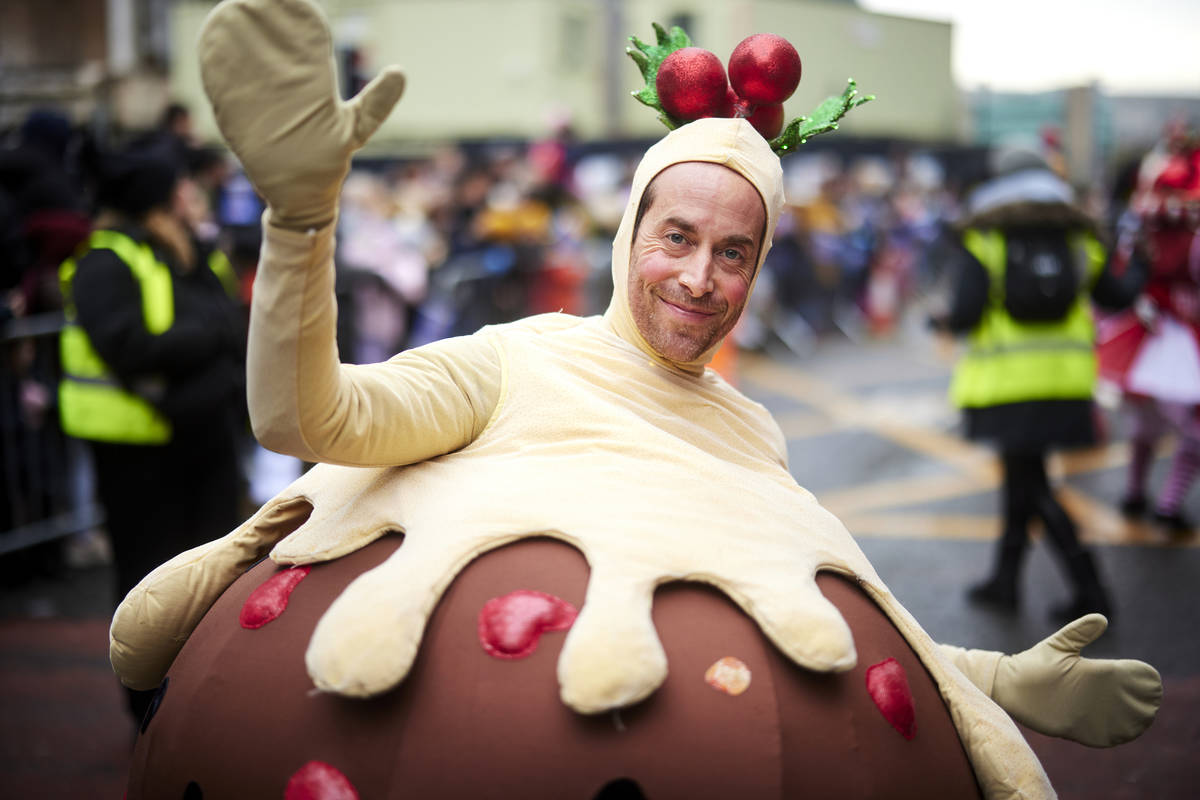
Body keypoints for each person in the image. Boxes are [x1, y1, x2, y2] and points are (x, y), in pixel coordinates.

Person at [109, 1, 1160, 796]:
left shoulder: (752, 428)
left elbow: (824, 602)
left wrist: (1001, 681)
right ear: (630, 238)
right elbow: (308, 421)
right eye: (677, 237)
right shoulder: (510, 360)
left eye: (733, 252)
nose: (700, 278)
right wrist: (301, 222)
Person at [58, 149, 247, 724]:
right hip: (140, 451)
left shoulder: (201, 255)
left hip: (205, 439)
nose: (193, 195)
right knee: (150, 584)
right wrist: (212, 337)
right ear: (158, 201)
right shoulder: (105, 262)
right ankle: (151, 717)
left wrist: (211, 343)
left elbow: (234, 327)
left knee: (217, 577)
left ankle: (209, 704)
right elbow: (131, 347)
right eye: (182, 188)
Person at [931, 149, 1143, 622]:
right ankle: (1005, 580)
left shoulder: (985, 235)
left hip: (1006, 385)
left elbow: (965, 314)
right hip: (1065, 383)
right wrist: (1145, 261)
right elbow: (1117, 296)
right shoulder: (1080, 236)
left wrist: (941, 318)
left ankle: (1092, 589)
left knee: (1033, 484)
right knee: (1023, 479)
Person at [1097, 134, 1200, 532]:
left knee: (1145, 428)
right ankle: (1166, 505)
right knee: (1190, 432)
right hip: (1171, 342)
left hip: (1144, 338)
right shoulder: (1186, 243)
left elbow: (1120, 282)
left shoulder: (1137, 236)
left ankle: (1137, 495)